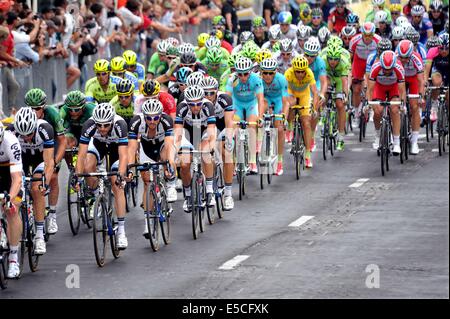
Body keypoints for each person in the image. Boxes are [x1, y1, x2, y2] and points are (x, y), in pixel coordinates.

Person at [75, 103, 129, 249]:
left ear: (111, 121)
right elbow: (81, 154)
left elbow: (124, 155)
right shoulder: (89, 125)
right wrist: (78, 177)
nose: (102, 128)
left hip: (115, 147)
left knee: (116, 184)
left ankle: (121, 231)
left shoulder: (120, 125)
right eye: (99, 125)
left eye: (106, 125)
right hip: (98, 144)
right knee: (87, 167)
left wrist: (121, 175)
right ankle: (96, 195)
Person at [12, 107, 55, 255]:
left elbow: (50, 162)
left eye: (29, 134)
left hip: (40, 159)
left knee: (37, 189)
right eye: (22, 135)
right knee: (15, 191)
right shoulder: (11, 131)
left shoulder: (45, 129)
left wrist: (45, 183)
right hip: (21, 160)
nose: (26, 138)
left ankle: (39, 235)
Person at [24, 88, 66, 236]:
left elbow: (62, 141)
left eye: (37, 108)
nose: (34, 111)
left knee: (53, 176)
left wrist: (54, 162)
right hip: (30, 147)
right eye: (30, 108)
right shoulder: (24, 117)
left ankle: (53, 215)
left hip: (51, 144)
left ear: (43, 107)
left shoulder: (52, 114)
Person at [128, 99, 177, 211]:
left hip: (162, 145)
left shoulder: (166, 120)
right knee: (146, 182)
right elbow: (131, 148)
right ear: (144, 116)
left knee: (167, 157)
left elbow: (169, 145)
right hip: (146, 148)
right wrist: (130, 168)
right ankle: (148, 221)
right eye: (149, 118)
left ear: (160, 116)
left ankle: (170, 185)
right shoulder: (136, 121)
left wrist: (169, 163)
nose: (152, 121)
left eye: (155, 118)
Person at [174, 85, 217, 211]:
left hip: (204, 131)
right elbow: (177, 133)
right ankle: (188, 195)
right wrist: (176, 151)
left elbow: (211, 132)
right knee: (184, 164)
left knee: (205, 154)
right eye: (192, 105)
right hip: (188, 133)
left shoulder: (208, 105)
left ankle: (209, 192)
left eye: (198, 104)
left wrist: (211, 147)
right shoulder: (181, 107)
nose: (195, 107)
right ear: (187, 103)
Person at [199, 76, 235, 210]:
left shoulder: (224, 99)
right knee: (205, 152)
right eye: (205, 93)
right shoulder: (199, 102)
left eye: (211, 93)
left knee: (226, 152)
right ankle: (209, 185)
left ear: (217, 91)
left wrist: (228, 138)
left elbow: (229, 123)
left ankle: (228, 194)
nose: (208, 96)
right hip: (207, 127)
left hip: (222, 125)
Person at [226, 57, 265, 174]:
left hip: (251, 104)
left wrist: (261, 117)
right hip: (236, 104)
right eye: (240, 74)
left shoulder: (256, 79)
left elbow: (260, 99)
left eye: (246, 74)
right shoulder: (232, 79)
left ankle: (252, 162)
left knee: (252, 127)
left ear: (250, 72)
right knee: (234, 130)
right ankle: (234, 162)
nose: (243, 77)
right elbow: (227, 98)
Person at [367, 50, 406, 155]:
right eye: (384, 69)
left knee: (394, 110)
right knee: (378, 111)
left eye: (390, 69)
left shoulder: (399, 68)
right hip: (379, 88)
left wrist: (402, 104)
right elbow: (370, 89)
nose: (387, 72)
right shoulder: (375, 67)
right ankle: (378, 135)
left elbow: (402, 90)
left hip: (394, 88)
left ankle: (397, 142)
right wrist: (369, 104)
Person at [284, 55, 319, 168]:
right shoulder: (288, 73)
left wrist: (314, 108)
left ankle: (308, 155)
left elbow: (315, 92)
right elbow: (284, 92)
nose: (300, 74)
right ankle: (290, 126)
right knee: (291, 106)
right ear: (293, 70)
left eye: (302, 72)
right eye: (297, 72)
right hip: (291, 93)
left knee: (306, 123)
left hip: (304, 95)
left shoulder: (309, 73)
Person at [259, 58, 289, 175]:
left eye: (270, 73)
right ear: (261, 72)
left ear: (275, 72)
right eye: (265, 73)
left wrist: (284, 118)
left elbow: (285, 101)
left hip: (278, 101)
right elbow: (257, 99)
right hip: (265, 100)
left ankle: (280, 160)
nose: (267, 76)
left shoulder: (281, 79)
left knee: (279, 129)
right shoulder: (258, 80)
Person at [0, 124, 23, 278]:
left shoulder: (11, 141)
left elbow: (16, 179)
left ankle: (14, 258)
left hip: (10, 174)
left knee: (12, 208)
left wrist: (10, 198)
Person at [396, 39, 425, 155]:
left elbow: (421, 81)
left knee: (414, 107)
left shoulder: (416, 58)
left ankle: (414, 142)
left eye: (406, 58)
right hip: (399, 79)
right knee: (395, 106)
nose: (403, 60)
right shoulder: (395, 57)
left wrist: (420, 96)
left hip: (413, 79)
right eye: (401, 57)